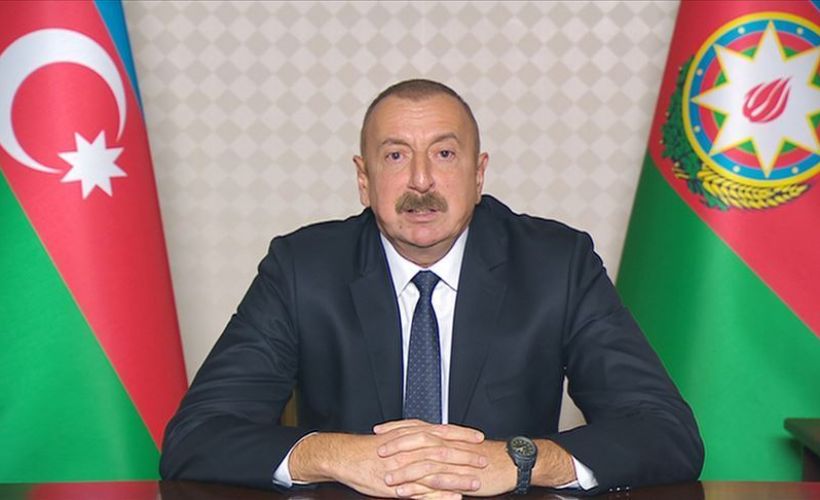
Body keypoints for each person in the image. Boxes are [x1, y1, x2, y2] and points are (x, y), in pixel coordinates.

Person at [160, 79, 703, 497]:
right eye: (396, 155)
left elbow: (666, 433)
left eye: (444, 154)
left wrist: (522, 461)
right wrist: (333, 455)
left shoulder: (556, 265)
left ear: (479, 173)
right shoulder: (303, 269)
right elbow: (196, 437)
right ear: (364, 179)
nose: (421, 181)